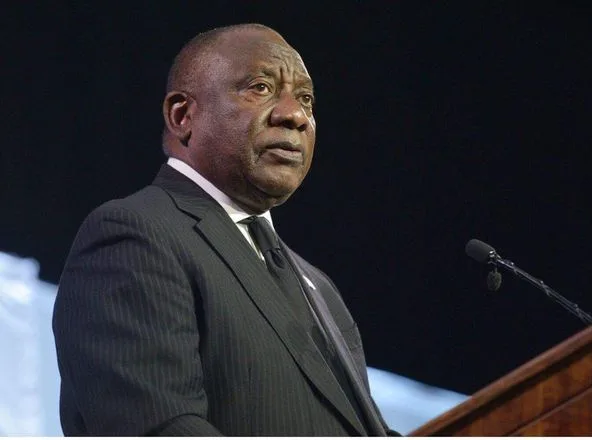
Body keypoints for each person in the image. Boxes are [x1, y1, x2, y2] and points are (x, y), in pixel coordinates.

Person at [53, 23, 397, 436]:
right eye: (260, 88)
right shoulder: (134, 235)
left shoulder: (319, 287)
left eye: (306, 99)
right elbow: (160, 427)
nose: (295, 115)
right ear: (182, 116)